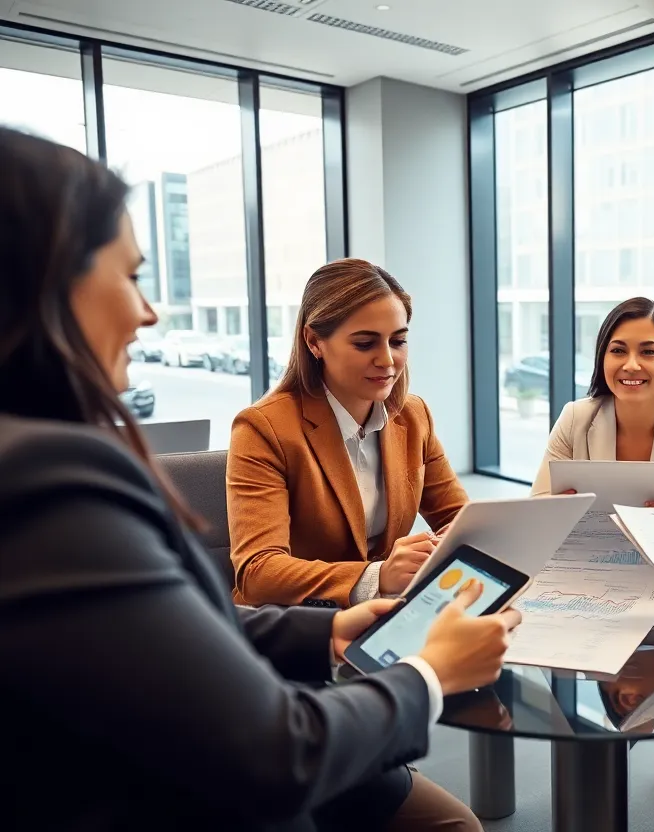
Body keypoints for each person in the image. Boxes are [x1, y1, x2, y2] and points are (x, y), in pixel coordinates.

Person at [0, 126, 520, 831]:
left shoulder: (411, 415)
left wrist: (332, 627)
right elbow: (259, 618)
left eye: (398, 340)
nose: (149, 311)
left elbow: (170, 624)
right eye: (129, 276)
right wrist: (428, 668)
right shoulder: (56, 474)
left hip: (268, 685)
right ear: (48, 281)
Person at [228, 258, 468, 610]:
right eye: (365, 344)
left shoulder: (413, 416)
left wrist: (456, 539)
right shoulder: (263, 429)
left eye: (398, 341)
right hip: (296, 624)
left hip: (386, 613)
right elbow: (258, 572)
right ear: (314, 342)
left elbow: (458, 518)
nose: (387, 361)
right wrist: (377, 575)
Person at [531, 297, 654, 522]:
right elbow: (537, 511)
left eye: (648, 352)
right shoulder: (575, 418)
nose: (631, 365)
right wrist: (554, 511)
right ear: (602, 359)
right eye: (618, 350)